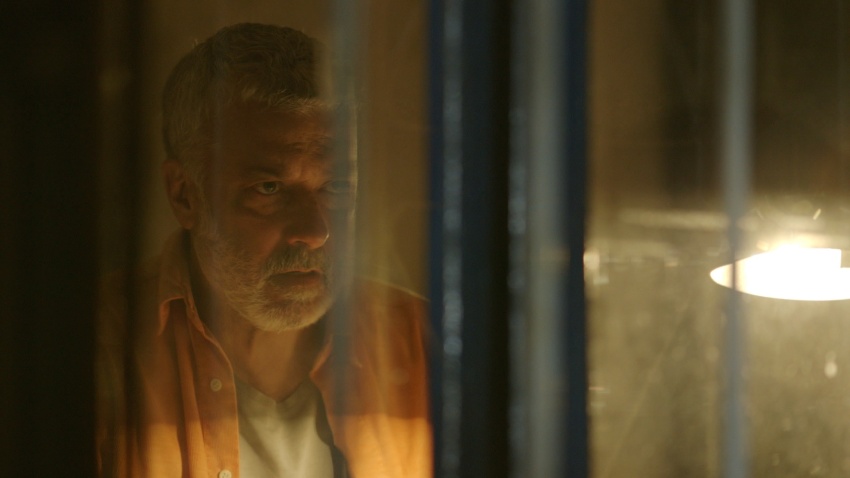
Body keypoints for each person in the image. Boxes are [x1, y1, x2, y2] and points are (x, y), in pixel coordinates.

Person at [97, 23, 431, 478]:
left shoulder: (421, 344)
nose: (315, 232)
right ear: (184, 195)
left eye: (336, 187)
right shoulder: (95, 348)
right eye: (269, 188)